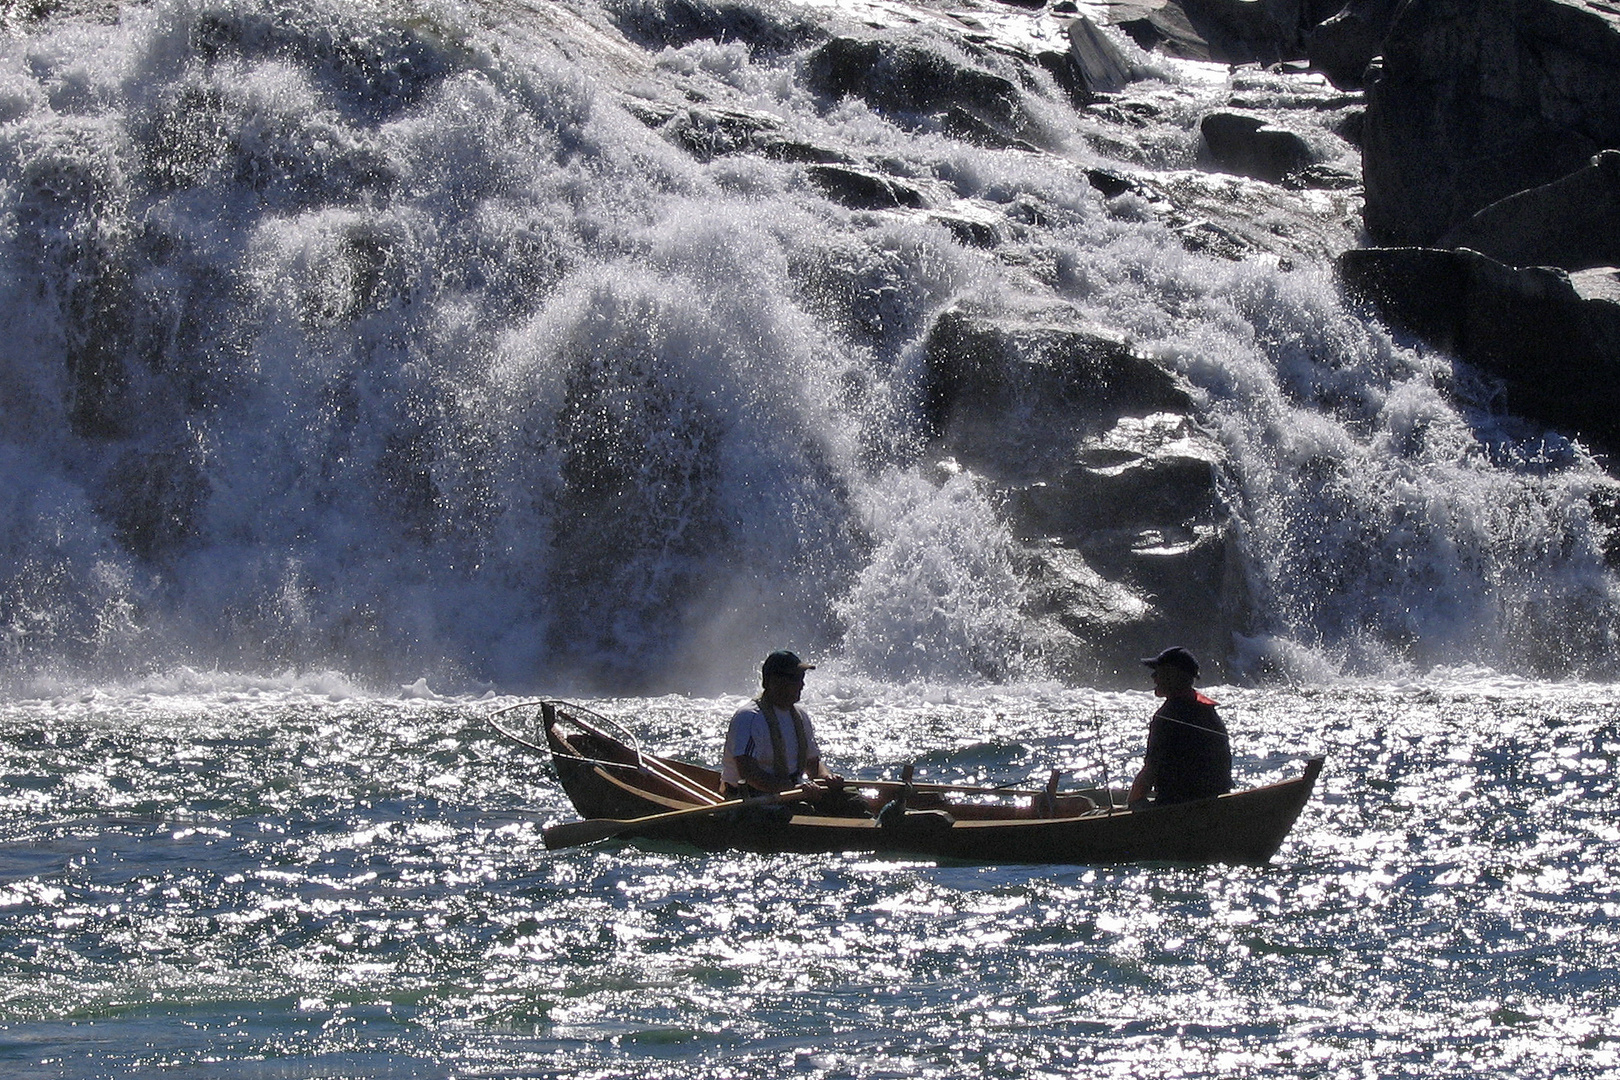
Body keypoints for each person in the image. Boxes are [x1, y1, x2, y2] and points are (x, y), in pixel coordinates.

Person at [722, 650, 868, 817]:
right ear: (772, 682)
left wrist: (827, 777)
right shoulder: (749, 717)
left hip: (791, 792)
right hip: (750, 797)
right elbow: (749, 773)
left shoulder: (800, 717)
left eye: (802, 679)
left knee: (853, 802)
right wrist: (792, 788)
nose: (801, 685)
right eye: (795, 679)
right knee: (802, 812)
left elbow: (813, 765)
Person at [1127, 647, 1231, 808]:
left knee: (1082, 806)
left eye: (1158, 672)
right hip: (1215, 799)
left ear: (1172, 676)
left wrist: (1131, 804)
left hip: (1176, 806)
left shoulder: (1166, 716)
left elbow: (1150, 770)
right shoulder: (1207, 710)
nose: (1153, 677)